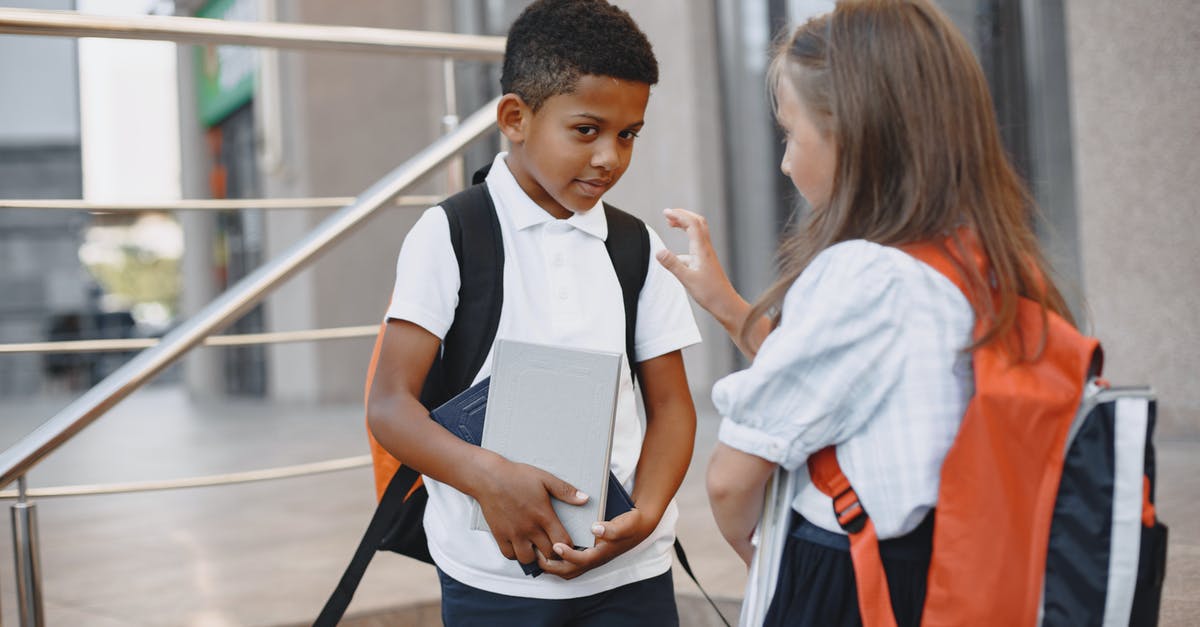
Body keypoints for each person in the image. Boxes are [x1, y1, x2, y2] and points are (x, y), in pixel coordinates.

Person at [655, 1, 1078, 625]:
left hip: (855, 577)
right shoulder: (979, 258)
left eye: (790, 134)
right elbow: (837, 384)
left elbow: (730, 479)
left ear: (851, 136)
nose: (784, 161)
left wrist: (761, 557)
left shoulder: (865, 275)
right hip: (947, 565)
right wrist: (725, 303)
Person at [366, 1, 701, 625]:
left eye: (628, 135)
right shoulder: (450, 235)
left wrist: (647, 514)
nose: (610, 157)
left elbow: (673, 407)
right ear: (516, 118)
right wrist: (487, 475)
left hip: (633, 575)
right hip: (491, 581)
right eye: (586, 130)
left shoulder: (636, 247)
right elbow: (390, 406)